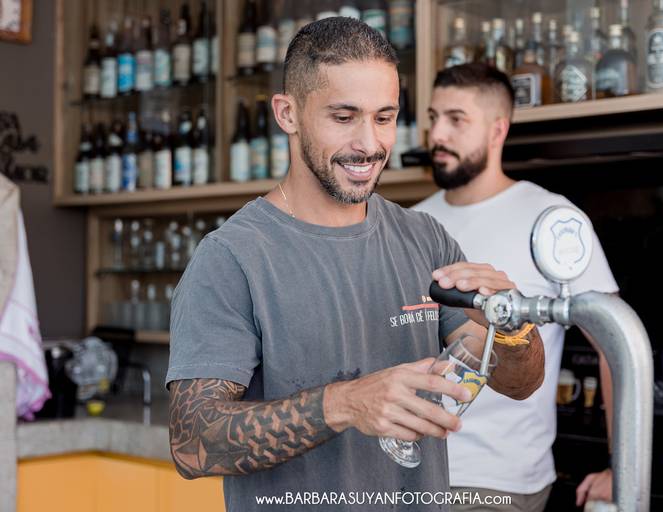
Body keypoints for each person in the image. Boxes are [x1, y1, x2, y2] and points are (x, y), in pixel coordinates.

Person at [165, 18, 545, 512]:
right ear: (288, 113)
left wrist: (511, 327)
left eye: (384, 118)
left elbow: (519, 384)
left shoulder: (424, 238)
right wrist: (343, 404)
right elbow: (192, 442)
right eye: (344, 117)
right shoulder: (232, 257)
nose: (369, 143)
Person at [413, 63, 619, 511]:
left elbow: (614, 343)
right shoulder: (413, 223)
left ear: (497, 129)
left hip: (495, 478)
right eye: (433, 118)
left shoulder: (551, 219)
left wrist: (620, 465)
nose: (437, 135)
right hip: (406, 471)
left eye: (456, 119)